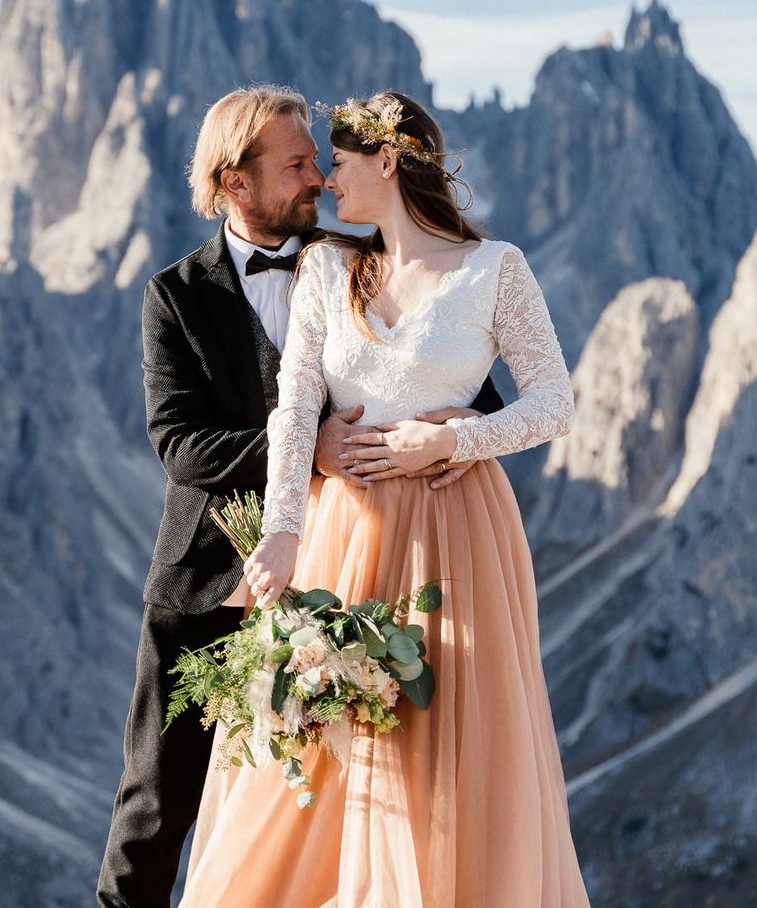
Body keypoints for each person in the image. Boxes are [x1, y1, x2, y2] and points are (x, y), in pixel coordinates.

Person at [178, 91, 592, 907]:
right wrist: (286, 531)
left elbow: (554, 404)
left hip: (458, 532)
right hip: (346, 532)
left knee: (442, 747)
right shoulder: (326, 268)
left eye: (340, 162)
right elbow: (295, 406)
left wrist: (455, 440)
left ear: (390, 161)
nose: (328, 181)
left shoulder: (494, 269)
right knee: (323, 752)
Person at [95, 85, 503, 908]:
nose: (318, 176)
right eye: (296, 164)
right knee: (156, 806)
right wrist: (308, 450)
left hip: (350, 579)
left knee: (336, 812)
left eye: (319, 159)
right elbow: (178, 445)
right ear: (234, 183)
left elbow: (471, 386)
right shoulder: (175, 295)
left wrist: (460, 424)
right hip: (209, 581)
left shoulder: (364, 264)